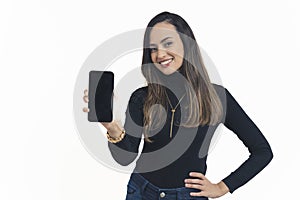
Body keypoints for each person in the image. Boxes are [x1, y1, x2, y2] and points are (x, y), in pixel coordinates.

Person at [82, 11, 273, 200]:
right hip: (142, 191)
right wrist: (112, 127)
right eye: (153, 48)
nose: (160, 54)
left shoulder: (216, 97)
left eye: (168, 43)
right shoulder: (142, 97)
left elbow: (262, 151)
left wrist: (223, 187)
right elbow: (125, 158)